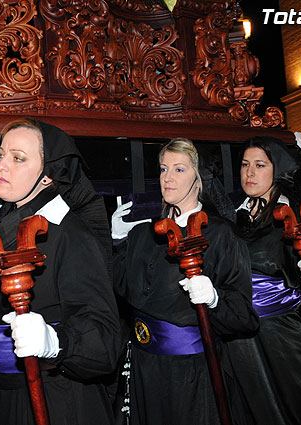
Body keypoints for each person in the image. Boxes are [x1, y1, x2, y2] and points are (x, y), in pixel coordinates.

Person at [0, 118, 120, 425]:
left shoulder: (71, 236)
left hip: (57, 399)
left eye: (18, 158)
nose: (1, 166)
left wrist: (56, 341)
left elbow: (106, 343)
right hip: (1, 396)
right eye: (1, 155)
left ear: (47, 176)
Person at [113, 138, 258, 425]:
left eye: (179, 170)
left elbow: (245, 317)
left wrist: (215, 298)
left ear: (199, 179)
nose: (167, 178)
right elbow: (122, 290)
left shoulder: (220, 235)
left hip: (193, 373)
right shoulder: (145, 233)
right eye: (164, 169)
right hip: (144, 368)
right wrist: (118, 243)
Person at [226, 136, 301, 425]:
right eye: (244, 164)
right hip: (239, 338)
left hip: (282, 339)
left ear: (277, 170)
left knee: (293, 411)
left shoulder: (294, 216)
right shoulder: (234, 215)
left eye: (259, 165)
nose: (249, 173)